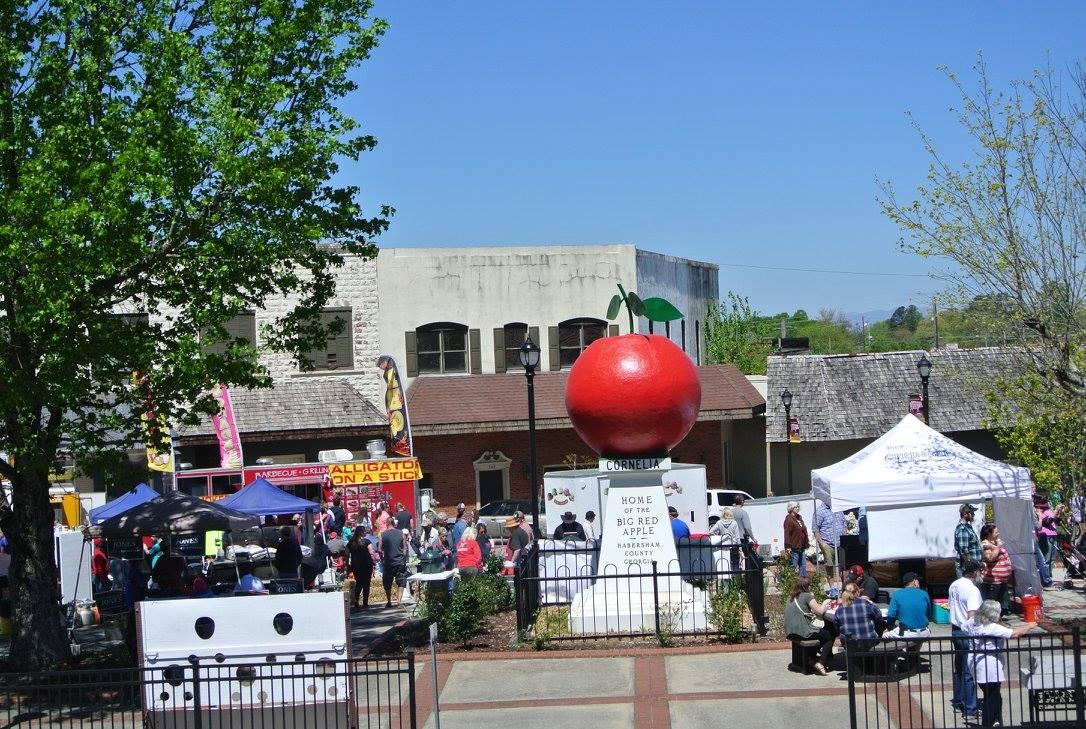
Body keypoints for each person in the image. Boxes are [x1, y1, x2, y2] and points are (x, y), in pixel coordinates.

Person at [965, 599, 1036, 727]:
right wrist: (1029, 626)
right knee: (992, 698)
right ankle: (989, 723)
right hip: (989, 666)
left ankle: (995, 721)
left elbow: (964, 626)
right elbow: (1014, 633)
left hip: (975, 663)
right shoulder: (990, 627)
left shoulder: (973, 622)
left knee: (991, 695)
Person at [948, 559, 984, 719]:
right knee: (968, 670)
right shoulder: (972, 590)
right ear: (974, 573)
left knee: (960, 667)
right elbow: (972, 614)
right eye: (980, 572)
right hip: (966, 631)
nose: (981, 575)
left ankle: (959, 700)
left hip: (955, 629)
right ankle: (970, 708)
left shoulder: (954, 585)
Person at [783, 576, 835, 675]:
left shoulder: (791, 596)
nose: (811, 587)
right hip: (803, 631)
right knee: (828, 635)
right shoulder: (807, 595)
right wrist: (825, 603)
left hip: (790, 631)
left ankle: (811, 658)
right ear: (806, 586)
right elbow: (819, 612)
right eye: (810, 585)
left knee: (821, 634)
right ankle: (821, 662)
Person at [833, 583, 883, 651]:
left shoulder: (839, 608)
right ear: (857, 592)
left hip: (849, 644)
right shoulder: (866, 604)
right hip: (869, 642)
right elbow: (879, 616)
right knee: (878, 625)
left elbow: (837, 627)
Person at [883, 572, 931, 640]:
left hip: (907, 633)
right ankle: (914, 650)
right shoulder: (924, 594)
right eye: (917, 580)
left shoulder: (897, 594)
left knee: (883, 635)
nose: (918, 582)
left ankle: (900, 650)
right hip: (924, 633)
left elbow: (891, 615)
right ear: (914, 581)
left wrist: (888, 628)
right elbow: (929, 614)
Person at [979, 524, 1013, 615]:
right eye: (996, 532)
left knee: (998, 605)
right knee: (991, 606)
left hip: (1001, 581)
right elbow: (990, 558)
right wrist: (997, 547)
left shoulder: (995, 542)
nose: (998, 533)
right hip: (992, 582)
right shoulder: (985, 544)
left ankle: (997, 621)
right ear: (989, 534)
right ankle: (989, 624)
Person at [813, 500, 846, 579]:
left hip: (841, 542)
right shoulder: (819, 511)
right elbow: (815, 529)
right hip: (827, 543)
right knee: (829, 565)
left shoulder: (838, 508)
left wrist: (845, 534)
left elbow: (844, 523)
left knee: (844, 565)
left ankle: (844, 585)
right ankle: (832, 588)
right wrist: (822, 544)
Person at [379, 525, 408, 608]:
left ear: (387, 524)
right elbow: (405, 548)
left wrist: (382, 559)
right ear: (394, 524)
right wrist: (403, 558)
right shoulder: (401, 533)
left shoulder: (382, 534)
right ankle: (399, 602)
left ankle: (389, 602)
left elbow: (379, 549)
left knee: (387, 583)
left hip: (388, 562)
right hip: (399, 561)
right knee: (401, 582)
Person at [348, 528, 376, 610]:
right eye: (364, 531)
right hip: (366, 565)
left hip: (356, 565)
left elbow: (346, 554)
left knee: (359, 583)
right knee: (366, 583)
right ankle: (365, 603)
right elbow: (371, 552)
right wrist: (374, 561)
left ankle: (356, 600)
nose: (365, 533)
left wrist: (347, 564)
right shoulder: (367, 541)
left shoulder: (351, 542)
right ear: (361, 532)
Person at [954, 503, 982, 578]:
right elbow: (964, 552)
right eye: (972, 513)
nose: (973, 515)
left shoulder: (967, 527)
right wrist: (972, 569)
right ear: (965, 514)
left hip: (972, 568)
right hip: (968, 570)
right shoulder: (963, 529)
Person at [783, 501, 810, 578]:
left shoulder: (799, 517)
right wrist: (788, 546)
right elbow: (787, 534)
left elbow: (803, 530)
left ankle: (803, 584)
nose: (798, 508)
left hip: (801, 546)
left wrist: (806, 542)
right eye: (796, 507)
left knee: (803, 565)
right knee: (793, 566)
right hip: (794, 547)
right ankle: (789, 583)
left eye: (798, 506)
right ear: (791, 508)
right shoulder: (788, 520)